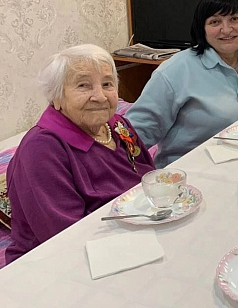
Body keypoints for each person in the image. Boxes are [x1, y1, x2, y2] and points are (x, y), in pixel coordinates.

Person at [6, 45, 155, 263]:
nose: (100, 96)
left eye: (107, 84)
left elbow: (149, 178)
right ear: (56, 97)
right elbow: (66, 238)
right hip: (66, 260)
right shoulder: (42, 149)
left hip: (138, 231)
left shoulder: (117, 124)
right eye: (83, 85)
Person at [126, 0, 238, 168]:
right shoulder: (174, 72)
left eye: (234, 19)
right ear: (201, 28)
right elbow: (135, 133)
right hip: (191, 173)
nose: (226, 29)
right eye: (215, 22)